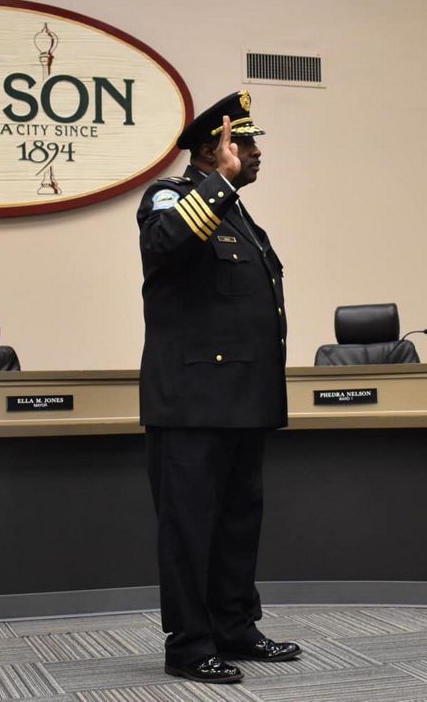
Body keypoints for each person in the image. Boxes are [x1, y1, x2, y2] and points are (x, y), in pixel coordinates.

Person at [135, 90, 301, 684]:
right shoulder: (172, 197)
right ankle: (189, 645)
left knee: (237, 522)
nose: (257, 154)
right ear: (217, 148)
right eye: (247, 143)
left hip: (243, 401)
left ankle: (234, 626)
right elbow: (162, 244)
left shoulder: (239, 216)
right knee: (189, 529)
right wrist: (220, 182)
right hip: (191, 403)